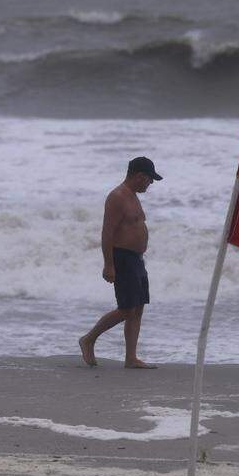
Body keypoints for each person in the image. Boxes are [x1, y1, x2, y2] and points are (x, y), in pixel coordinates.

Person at [78, 156, 162, 369]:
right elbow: (107, 233)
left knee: (138, 308)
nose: (150, 184)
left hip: (136, 259)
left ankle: (131, 358)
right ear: (140, 176)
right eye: (149, 180)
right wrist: (109, 264)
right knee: (126, 309)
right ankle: (89, 339)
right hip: (122, 258)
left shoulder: (133, 196)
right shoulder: (117, 197)